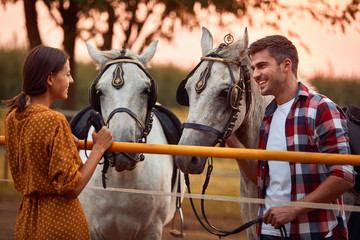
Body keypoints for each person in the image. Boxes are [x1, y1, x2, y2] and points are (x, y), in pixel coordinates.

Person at [226, 35, 356, 240]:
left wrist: (292, 210)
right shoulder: (268, 116)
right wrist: (231, 140)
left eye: (261, 66)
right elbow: (263, 178)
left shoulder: (321, 108)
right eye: (253, 68)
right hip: (268, 232)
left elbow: (343, 176)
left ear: (286, 65)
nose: (255, 74)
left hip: (314, 232)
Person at [2, 45, 113, 240]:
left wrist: (67, 145)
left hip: (27, 223)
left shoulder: (13, 118)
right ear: (50, 79)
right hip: (60, 224)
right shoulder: (54, 120)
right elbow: (71, 189)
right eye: (67, 74)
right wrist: (99, 148)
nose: (71, 80)